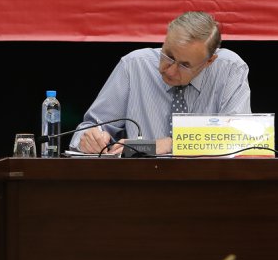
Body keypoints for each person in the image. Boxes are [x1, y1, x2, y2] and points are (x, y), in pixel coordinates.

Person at [73, 11, 251, 155]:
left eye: (184, 65)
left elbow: (240, 137)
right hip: (141, 182)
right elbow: (88, 129)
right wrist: (89, 139)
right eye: (169, 56)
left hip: (209, 182)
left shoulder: (230, 69)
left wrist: (171, 144)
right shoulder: (134, 65)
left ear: (209, 62)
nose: (170, 70)